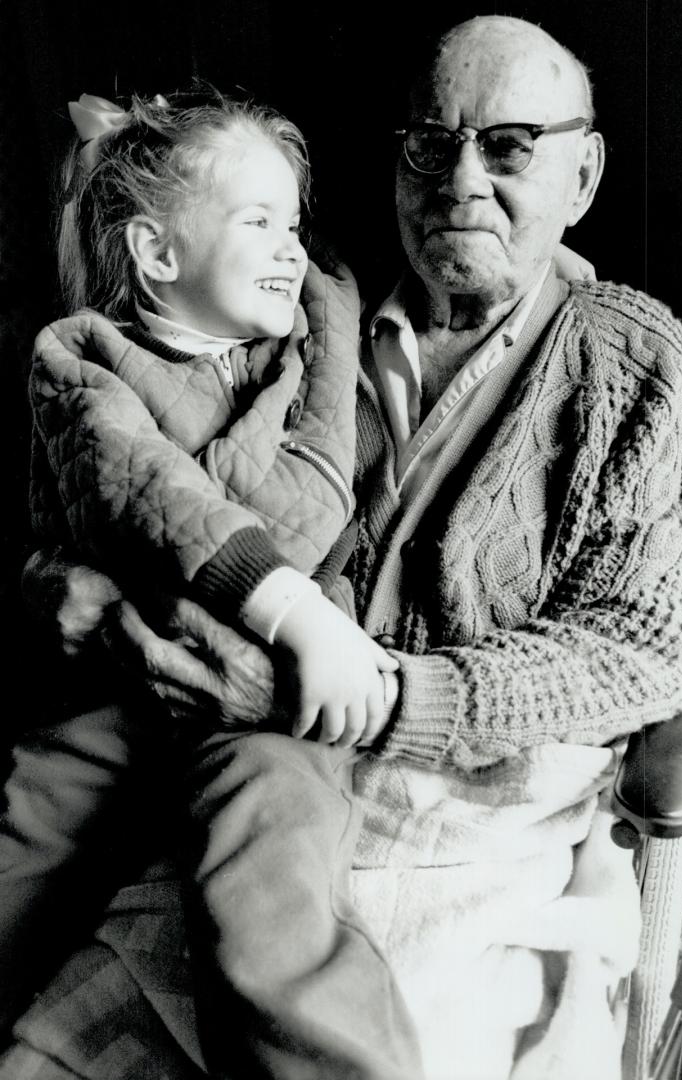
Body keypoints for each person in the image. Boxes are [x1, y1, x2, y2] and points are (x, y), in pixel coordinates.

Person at [7, 13, 682, 1080]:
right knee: (48, 1050)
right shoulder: (299, 309)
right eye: (432, 144)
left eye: (510, 145)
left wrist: (396, 696)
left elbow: (647, 649)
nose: (462, 179)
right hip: (236, 787)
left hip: (472, 833)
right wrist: (67, 591)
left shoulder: (634, 358)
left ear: (584, 173)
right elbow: (139, 484)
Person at [0, 89, 422, 1080]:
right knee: (18, 862)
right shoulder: (82, 360)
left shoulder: (308, 365)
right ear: (156, 254)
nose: (291, 248)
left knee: (273, 886)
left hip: (259, 701)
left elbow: (318, 506)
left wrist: (308, 624)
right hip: (110, 696)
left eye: (295, 224)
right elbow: (145, 493)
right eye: (257, 221)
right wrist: (286, 600)